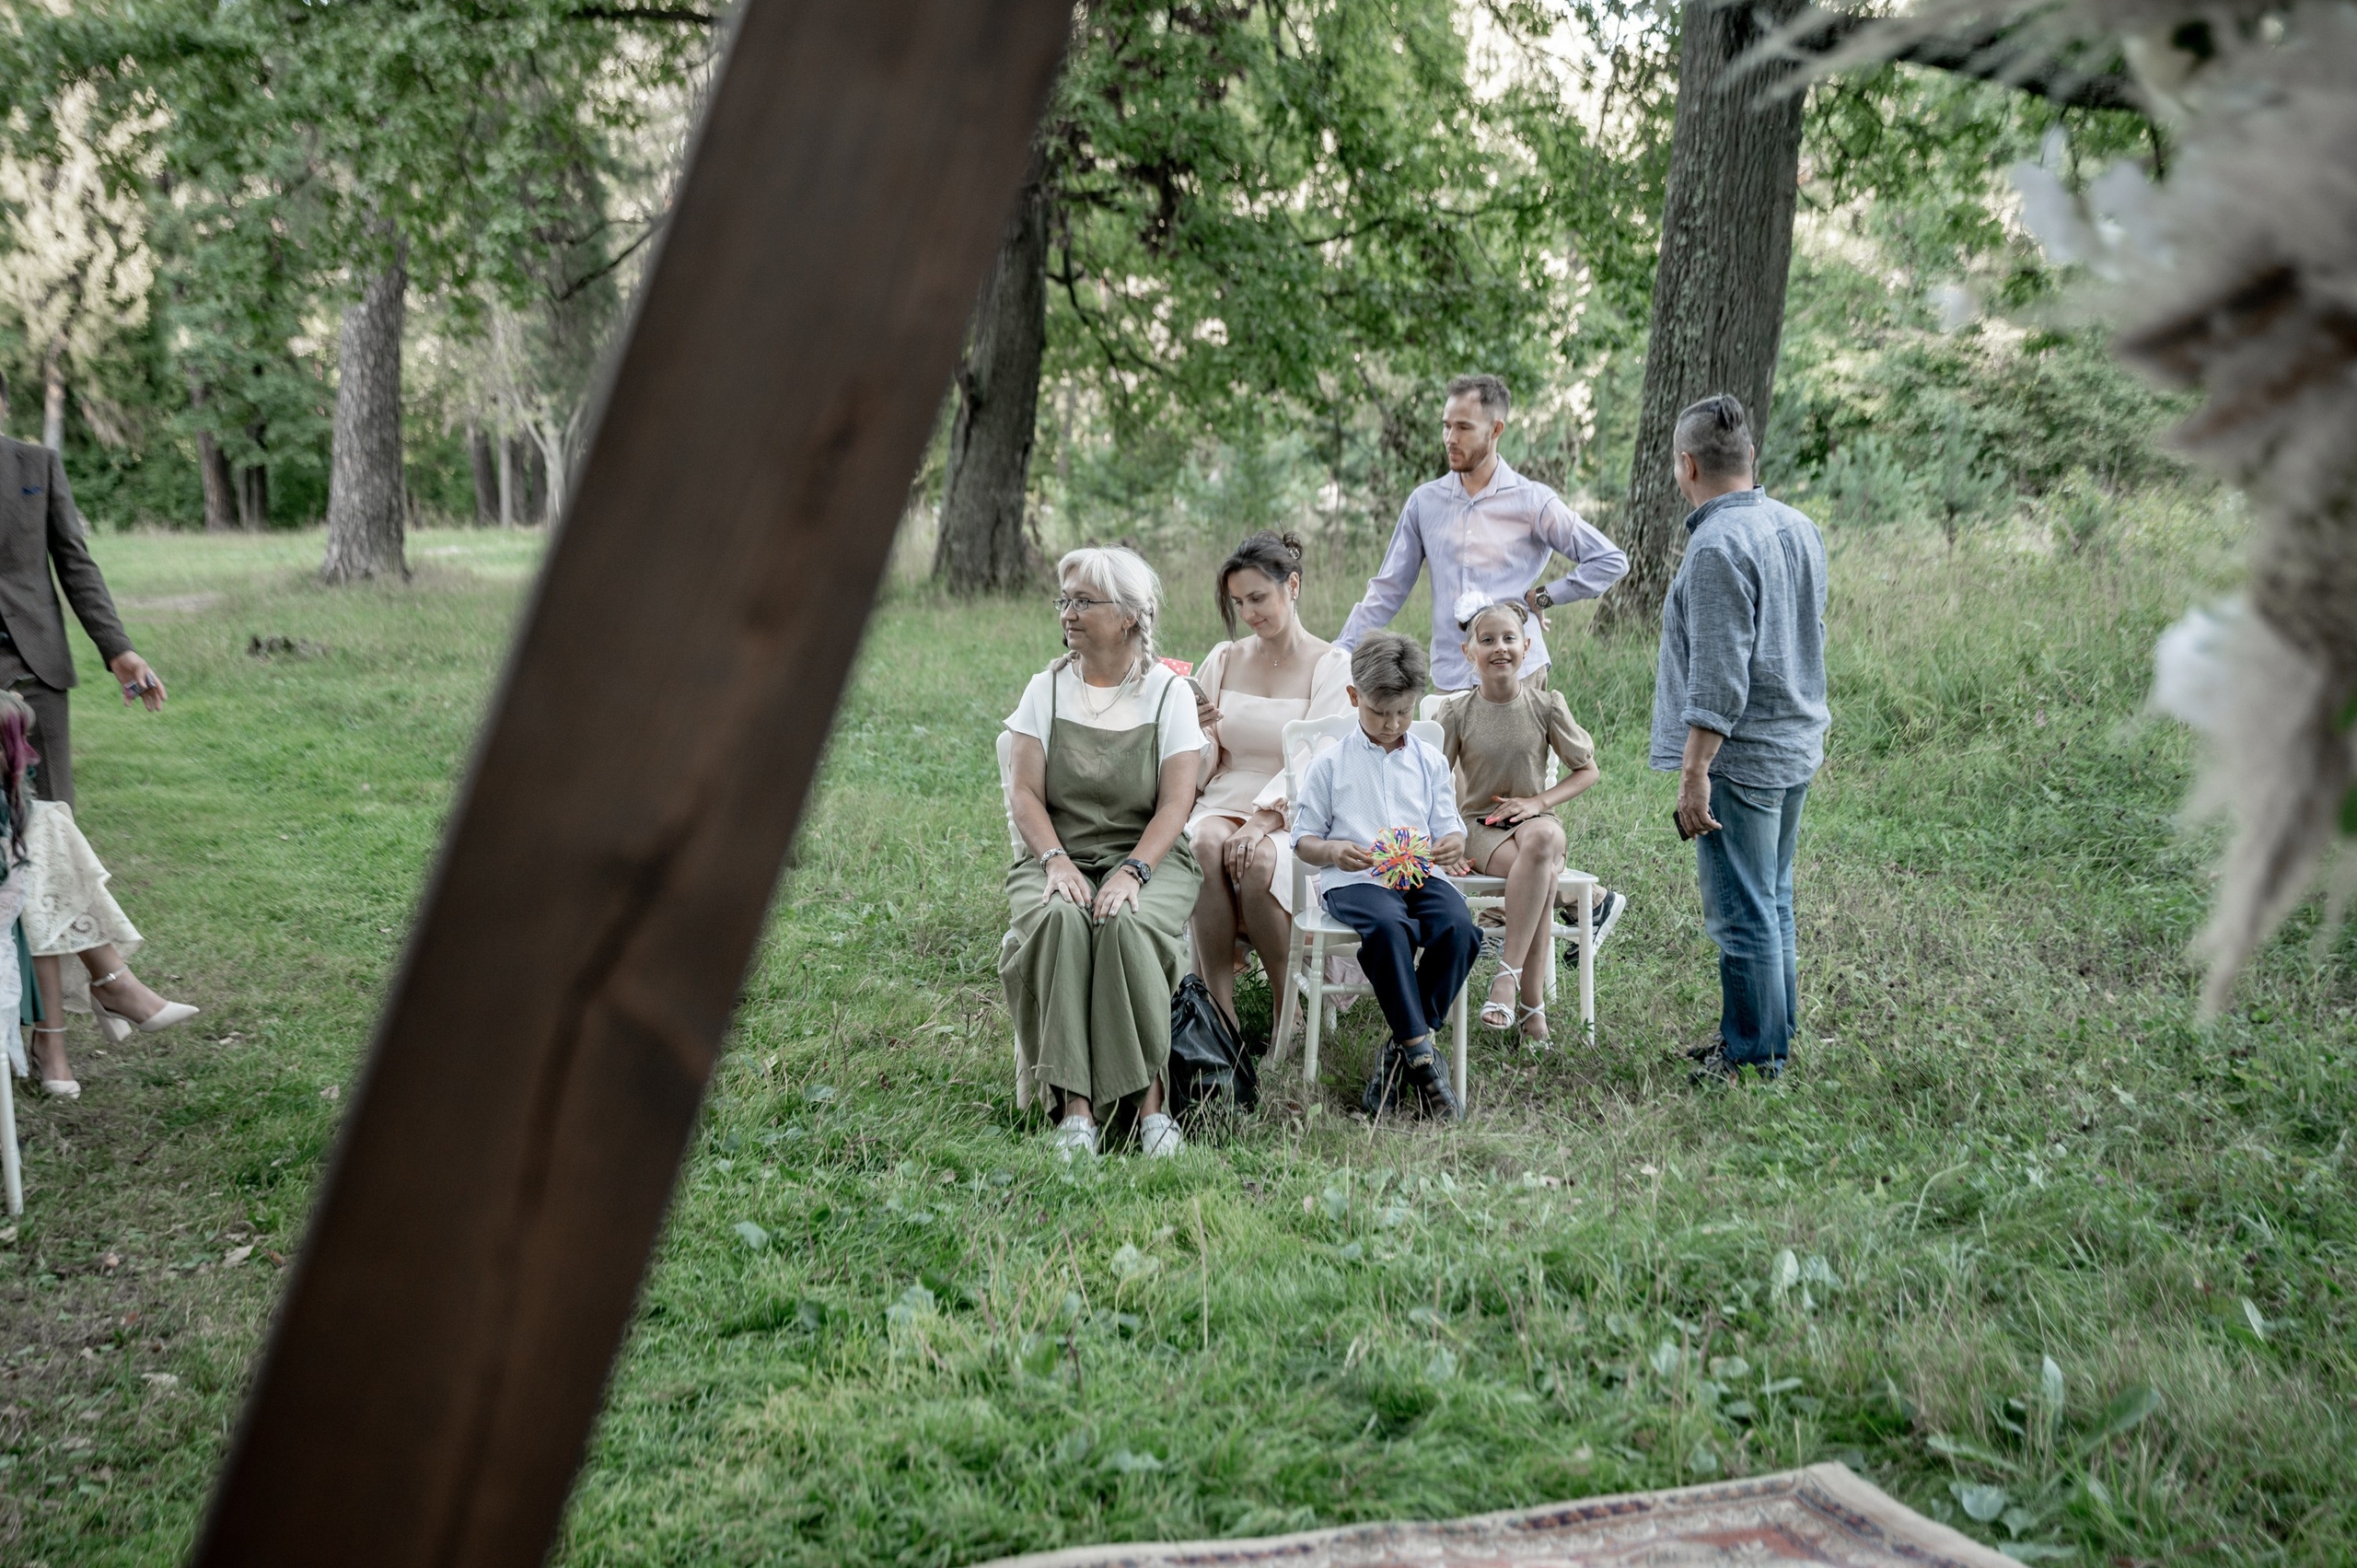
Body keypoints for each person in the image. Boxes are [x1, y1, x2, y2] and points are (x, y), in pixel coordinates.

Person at [1002, 547, 1205, 1159]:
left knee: (1124, 922)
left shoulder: (1168, 693)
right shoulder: (1046, 689)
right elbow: (1024, 793)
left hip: (1151, 856)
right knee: (1060, 920)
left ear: (1128, 616)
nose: (1067, 613)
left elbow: (1176, 803)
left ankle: (1151, 1107)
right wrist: (1055, 861)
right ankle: (1076, 1112)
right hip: (1057, 853)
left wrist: (1134, 871)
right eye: (1064, 600)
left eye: (1083, 602)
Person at [1650, 393, 1829, 1085]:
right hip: (1795, 741)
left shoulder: (1716, 546)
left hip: (1744, 755)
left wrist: (1695, 771)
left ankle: (1755, 1057)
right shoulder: (1797, 525)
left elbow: (1719, 676)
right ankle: (1771, 1037)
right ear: (1750, 457)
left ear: (1686, 466)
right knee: (1772, 897)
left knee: (1743, 911)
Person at [1336, 374, 1627, 693]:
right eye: (1447, 426)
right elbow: (1388, 588)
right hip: (1451, 677)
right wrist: (1340, 651)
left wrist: (1545, 595)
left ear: (1496, 429)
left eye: (1463, 427)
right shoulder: (1424, 502)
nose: (1450, 438)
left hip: (1518, 677)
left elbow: (1609, 560)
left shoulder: (1533, 501)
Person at [1292, 632, 1475, 1121]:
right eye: (1380, 712)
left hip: (1420, 872)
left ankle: (1402, 1051)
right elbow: (1303, 839)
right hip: (1355, 880)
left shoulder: (1429, 762)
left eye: (1403, 712)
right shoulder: (1330, 765)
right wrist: (1333, 849)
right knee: (1391, 927)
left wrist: (1453, 843)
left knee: (1459, 927)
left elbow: (1449, 827)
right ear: (1354, 697)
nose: (1393, 724)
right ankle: (1422, 1059)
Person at [1436, 594, 1622, 1043]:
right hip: (1482, 827)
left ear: (1526, 647)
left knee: (1539, 843)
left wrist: (1537, 803)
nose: (1499, 647)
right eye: (1487, 640)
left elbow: (1588, 771)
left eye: (1509, 638)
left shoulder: (1546, 705)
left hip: (1538, 822)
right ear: (1468, 652)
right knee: (1541, 873)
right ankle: (1530, 1007)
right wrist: (1447, 838)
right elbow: (1432, 782)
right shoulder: (1458, 712)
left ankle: (1507, 978)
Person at [1185, 530, 1350, 1031]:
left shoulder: (1331, 665)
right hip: (1225, 793)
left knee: (1258, 860)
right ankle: (1219, 1011)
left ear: (1292, 585)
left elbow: (1319, 758)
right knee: (1204, 844)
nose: (1249, 613)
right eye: (1239, 603)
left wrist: (1261, 821)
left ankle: (1287, 1007)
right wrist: (1194, 728)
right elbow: (1203, 760)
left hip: (1295, 808)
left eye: (1257, 598)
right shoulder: (1225, 659)